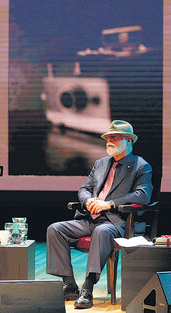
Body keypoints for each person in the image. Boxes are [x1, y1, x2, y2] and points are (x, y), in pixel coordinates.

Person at [46, 120, 153, 309]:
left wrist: (109, 204)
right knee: (55, 229)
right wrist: (88, 201)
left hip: (117, 221)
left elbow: (142, 195)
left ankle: (87, 289)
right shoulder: (100, 163)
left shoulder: (140, 166)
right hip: (90, 218)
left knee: (102, 232)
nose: (109, 141)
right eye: (108, 137)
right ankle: (70, 284)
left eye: (114, 137)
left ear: (129, 141)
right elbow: (85, 188)